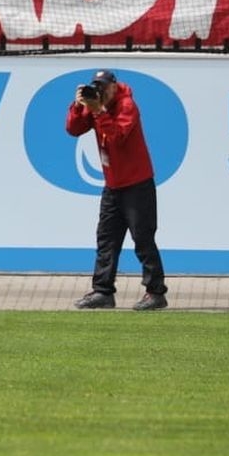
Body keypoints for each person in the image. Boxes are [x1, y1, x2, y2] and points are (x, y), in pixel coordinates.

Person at [66, 70, 167, 311]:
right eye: (97, 86)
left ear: (114, 86)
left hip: (137, 184)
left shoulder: (127, 105)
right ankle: (103, 291)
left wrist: (98, 111)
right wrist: (78, 106)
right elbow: (73, 129)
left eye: (104, 86)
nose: (100, 91)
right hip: (112, 185)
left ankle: (156, 293)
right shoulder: (96, 104)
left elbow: (116, 138)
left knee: (143, 239)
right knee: (106, 240)